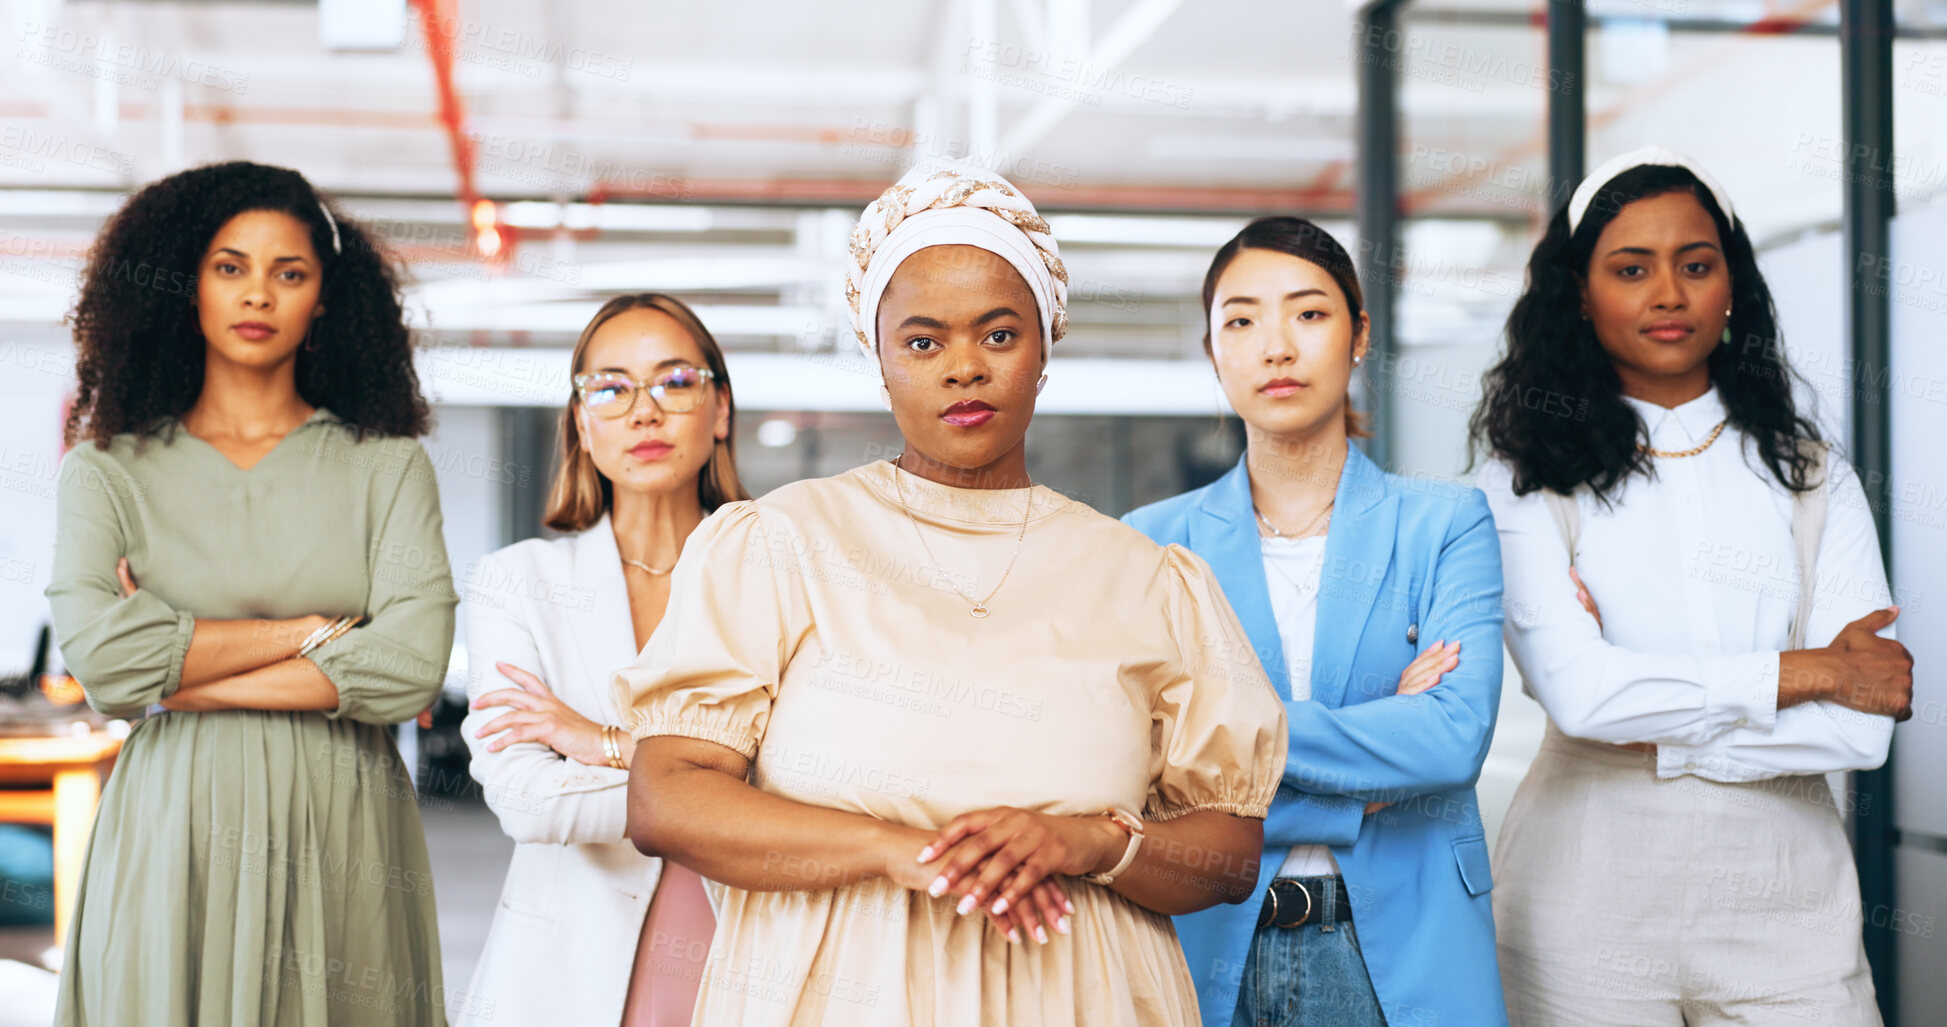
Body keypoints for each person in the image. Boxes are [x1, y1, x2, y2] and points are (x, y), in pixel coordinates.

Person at [612, 163, 1288, 1026]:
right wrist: (895, 851)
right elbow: (664, 796)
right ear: (881, 359)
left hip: (1085, 998)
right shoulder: (782, 544)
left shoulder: (1146, 578)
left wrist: (1090, 841)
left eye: (999, 335)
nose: (963, 368)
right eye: (923, 342)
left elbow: (1228, 855)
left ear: (1044, 350)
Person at [1471, 146, 1913, 1026]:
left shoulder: (1811, 472)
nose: (1667, 294)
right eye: (1630, 269)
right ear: (1579, 293)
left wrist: (1659, 734)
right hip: (1583, 903)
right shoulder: (1519, 480)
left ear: (1731, 288)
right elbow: (1584, 696)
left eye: (1695, 265)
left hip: (1789, 906)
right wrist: (1808, 671)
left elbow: (1863, 731)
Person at [46, 161, 456, 1026]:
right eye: (230, 266)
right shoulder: (106, 471)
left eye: (290, 272)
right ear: (184, 285)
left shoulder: (385, 465)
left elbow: (410, 666)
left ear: (323, 301)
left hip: (343, 823)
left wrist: (179, 670)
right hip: (174, 823)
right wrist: (306, 633)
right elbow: (107, 662)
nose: (257, 293)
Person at [1124, 216, 1509, 1027]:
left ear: (1358, 334)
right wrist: (1359, 786)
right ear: (1211, 350)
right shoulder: (1150, 543)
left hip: (1399, 947)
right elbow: (1137, 770)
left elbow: (1448, 738)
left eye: (1308, 313)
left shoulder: (1443, 524)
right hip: (1206, 943)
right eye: (1241, 320)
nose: (1275, 346)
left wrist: (1217, 737)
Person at [456, 293, 750, 1027]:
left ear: (719, 411)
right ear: (582, 424)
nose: (643, 410)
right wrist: (724, 786)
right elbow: (526, 797)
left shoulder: (774, 577)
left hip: (745, 944)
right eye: (611, 387)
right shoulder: (517, 582)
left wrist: (600, 743)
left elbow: (816, 780)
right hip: (563, 968)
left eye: (675, 380)